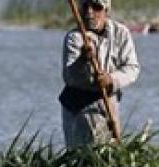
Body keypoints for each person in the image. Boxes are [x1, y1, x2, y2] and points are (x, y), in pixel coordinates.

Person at [60, 0, 140, 147]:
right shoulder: (74, 37)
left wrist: (110, 79)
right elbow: (70, 77)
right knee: (82, 157)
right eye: (85, 6)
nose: (89, 12)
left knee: (110, 152)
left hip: (108, 102)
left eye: (96, 7)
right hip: (78, 106)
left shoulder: (120, 33)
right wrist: (83, 59)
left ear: (106, 11)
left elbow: (131, 68)